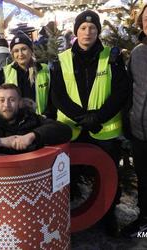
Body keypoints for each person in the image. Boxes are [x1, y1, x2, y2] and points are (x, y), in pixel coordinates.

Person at [51, 10, 130, 235]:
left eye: (93, 28)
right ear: (76, 31)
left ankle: (108, 215)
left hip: (103, 130)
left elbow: (121, 91)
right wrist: (82, 118)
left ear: (98, 31)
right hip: (71, 129)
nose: (88, 32)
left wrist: (97, 117)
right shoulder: (62, 59)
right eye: (83, 28)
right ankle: (63, 218)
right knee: (65, 176)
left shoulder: (111, 57)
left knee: (108, 176)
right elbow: (57, 95)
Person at [0, 83, 71, 155]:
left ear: (20, 103)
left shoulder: (32, 119)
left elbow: (64, 130)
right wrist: (2, 142)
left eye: (11, 100)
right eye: (2, 100)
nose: (6, 105)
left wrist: (32, 136)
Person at [121, 4, 147, 238]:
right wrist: (128, 119)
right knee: (144, 178)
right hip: (140, 131)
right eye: (146, 19)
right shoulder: (138, 53)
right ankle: (144, 221)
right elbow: (130, 89)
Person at [0, 31, 52, 117]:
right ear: (12, 54)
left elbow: (52, 98)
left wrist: (46, 116)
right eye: (16, 51)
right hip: (15, 122)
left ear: (31, 50)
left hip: (41, 120)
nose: (20, 54)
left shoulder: (44, 70)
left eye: (24, 49)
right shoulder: (4, 73)